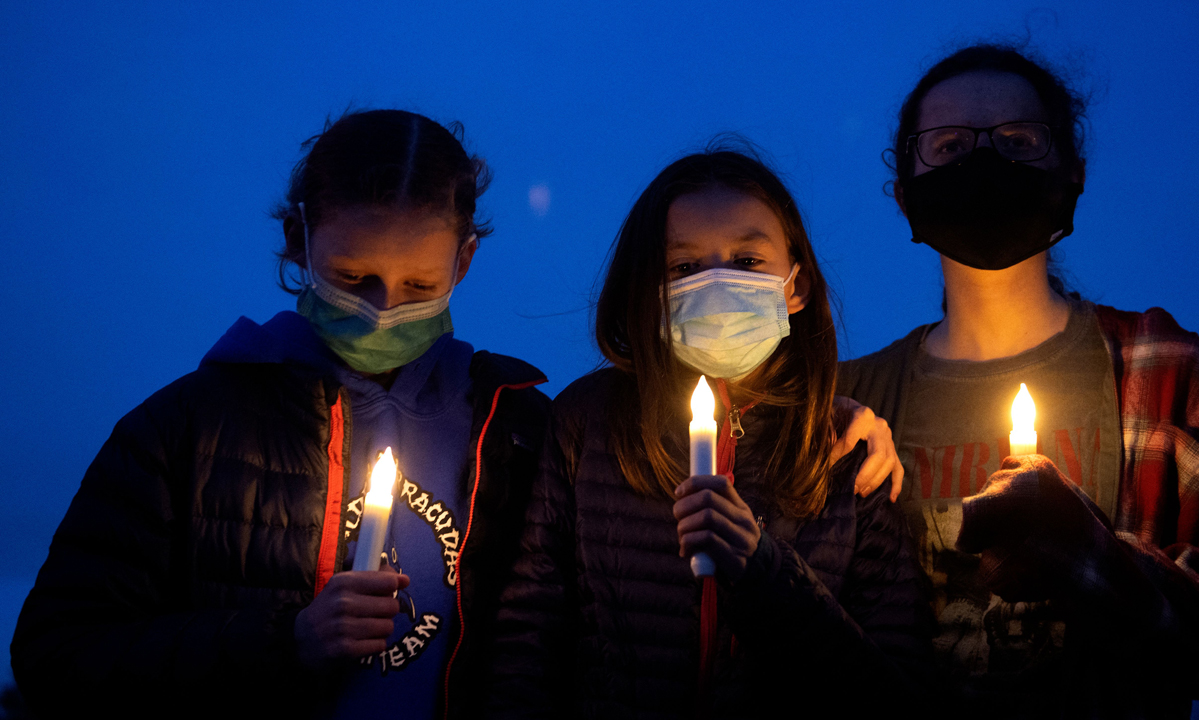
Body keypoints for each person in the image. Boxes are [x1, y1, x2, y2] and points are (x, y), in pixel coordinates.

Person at [11, 109, 551, 719]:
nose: (382, 311)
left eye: (419, 287)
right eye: (354, 277)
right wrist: (286, 642)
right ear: (299, 239)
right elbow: (56, 657)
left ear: (465, 261)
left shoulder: (518, 432)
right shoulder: (185, 430)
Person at [840, 44, 1199, 717]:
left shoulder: (1165, 373)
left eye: (1018, 140)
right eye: (950, 144)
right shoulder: (853, 404)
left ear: (1072, 175)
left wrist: (1083, 551)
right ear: (903, 192)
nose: (984, 162)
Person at [487, 147, 935, 718]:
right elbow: (530, 632)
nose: (717, 282)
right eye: (684, 268)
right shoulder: (588, 423)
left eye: (748, 261)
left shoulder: (846, 448)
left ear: (796, 285)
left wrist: (764, 571)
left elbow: (897, 684)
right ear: (647, 291)